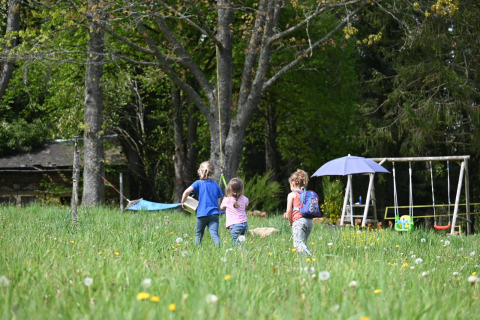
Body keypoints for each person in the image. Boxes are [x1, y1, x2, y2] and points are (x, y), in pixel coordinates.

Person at [181, 161, 223, 246]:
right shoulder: (216, 186)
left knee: (199, 235)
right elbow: (219, 204)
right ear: (212, 172)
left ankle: (197, 251)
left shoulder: (198, 183)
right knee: (215, 235)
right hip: (214, 214)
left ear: (200, 171)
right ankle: (221, 250)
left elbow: (186, 192)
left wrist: (183, 201)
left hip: (202, 214)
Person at [284, 169, 313, 256]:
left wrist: (290, 222)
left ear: (292, 183)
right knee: (302, 243)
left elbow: (289, 211)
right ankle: (304, 261)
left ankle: (311, 258)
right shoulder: (306, 194)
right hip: (309, 222)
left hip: (299, 221)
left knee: (297, 244)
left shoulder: (292, 194)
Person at [220, 177, 249, 245]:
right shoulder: (244, 199)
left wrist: (224, 199)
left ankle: (242, 254)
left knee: (236, 243)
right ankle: (242, 254)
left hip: (235, 225)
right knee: (241, 242)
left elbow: (221, 207)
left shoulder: (227, 200)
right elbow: (246, 204)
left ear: (229, 189)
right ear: (242, 189)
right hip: (244, 224)